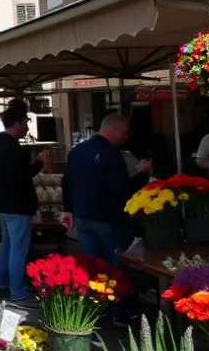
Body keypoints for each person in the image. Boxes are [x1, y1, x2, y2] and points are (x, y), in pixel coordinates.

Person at [62, 113, 151, 275]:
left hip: (82, 217)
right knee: (115, 271)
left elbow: (67, 182)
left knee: (90, 268)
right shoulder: (111, 153)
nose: (126, 137)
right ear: (112, 130)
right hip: (108, 219)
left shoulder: (77, 150)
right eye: (124, 133)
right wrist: (141, 175)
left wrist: (68, 209)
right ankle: (116, 292)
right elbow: (121, 189)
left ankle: (92, 292)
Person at [0, 101, 49, 308]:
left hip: (2, 204)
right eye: (26, 122)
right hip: (17, 205)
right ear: (17, 123)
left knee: (8, 245)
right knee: (18, 249)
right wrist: (40, 162)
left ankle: (0, 282)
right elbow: (21, 176)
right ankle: (18, 293)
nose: (27, 126)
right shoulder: (11, 148)